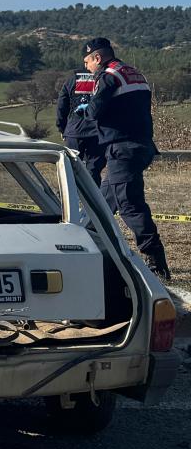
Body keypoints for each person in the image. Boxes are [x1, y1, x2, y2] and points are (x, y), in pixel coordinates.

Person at [82, 37, 169, 279]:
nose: (87, 67)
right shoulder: (133, 72)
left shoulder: (108, 76)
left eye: (87, 61)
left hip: (123, 149)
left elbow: (94, 112)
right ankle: (86, 250)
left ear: (97, 58)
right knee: (103, 204)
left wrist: (86, 109)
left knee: (130, 204)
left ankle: (156, 262)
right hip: (141, 146)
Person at [56, 68, 105, 185]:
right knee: (93, 169)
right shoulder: (103, 78)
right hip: (97, 131)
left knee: (70, 168)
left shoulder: (72, 79)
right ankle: (92, 200)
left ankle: (66, 198)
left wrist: (62, 128)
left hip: (74, 131)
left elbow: (62, 105)